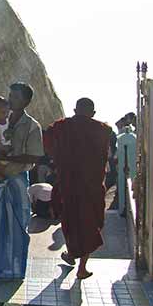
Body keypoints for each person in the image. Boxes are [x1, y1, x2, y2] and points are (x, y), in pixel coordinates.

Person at [43, 98, 111, 280]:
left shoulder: (61, 127)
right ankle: (81, 266)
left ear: (74, 110)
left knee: (71, 222)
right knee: (90, 224)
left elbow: (47, 142)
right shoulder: (104, 130)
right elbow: (106, 156)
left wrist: (57, 160)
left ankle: (72, 254)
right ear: (93, 113)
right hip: (92, 187)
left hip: (69, 185)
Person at [0, 82, 44, 279]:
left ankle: (15, 270)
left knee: (17, 225)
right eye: (10, 96)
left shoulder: (32, 126)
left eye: (16, 97)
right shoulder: (0, 120)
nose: (10, 100)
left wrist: (7, 159)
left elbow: (34, 157)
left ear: (26, 101)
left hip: (17, 181)